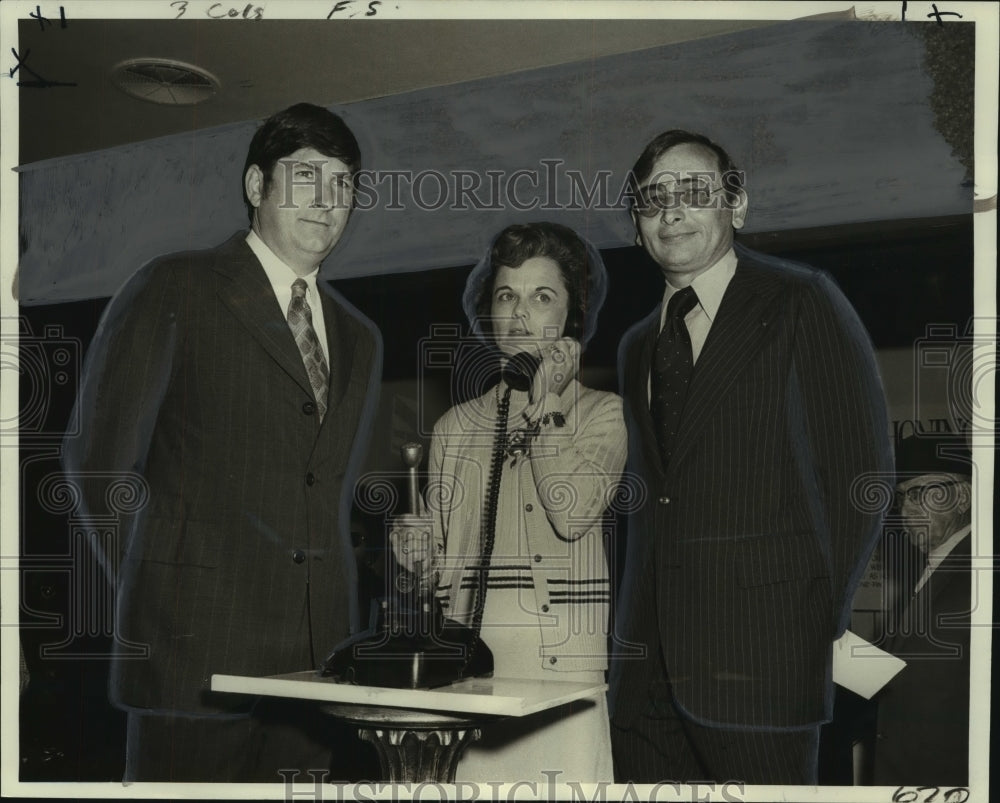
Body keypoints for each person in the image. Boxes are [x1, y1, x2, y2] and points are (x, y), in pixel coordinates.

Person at [62, 103, 382, 782]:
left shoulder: (360, 337)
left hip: (316, 670)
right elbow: (97, 462)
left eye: (343, 183)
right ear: (256, 185)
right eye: (305, 176)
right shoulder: (175, 284)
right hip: (193, 656)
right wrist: (164, 593)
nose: (328, 201)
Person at [609, 129, 893, 785]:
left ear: (737, 206)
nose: (671, 211)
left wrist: (812, 627)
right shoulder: (634, 346)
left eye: (693, 193)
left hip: (761, 667)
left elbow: (860, 474)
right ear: (636, 224)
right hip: (647, 677)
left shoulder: (799, 300)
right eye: (653, 199)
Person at [390, 222, 626, 783]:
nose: (521, 315)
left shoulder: (603, 414)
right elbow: (430, 582)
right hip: (466, 679)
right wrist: (414, 557)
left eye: (542, 297)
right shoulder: (453, 428)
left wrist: (544, 400)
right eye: (507, 296)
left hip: (561, 682)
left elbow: (571, 513)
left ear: (572, 316)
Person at [874, 434, 972, 786]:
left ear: (962, 496)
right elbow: (918, 672)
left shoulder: (981, 571)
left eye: (921, 492)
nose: (906, 509)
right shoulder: (933, 568)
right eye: (901, 496)